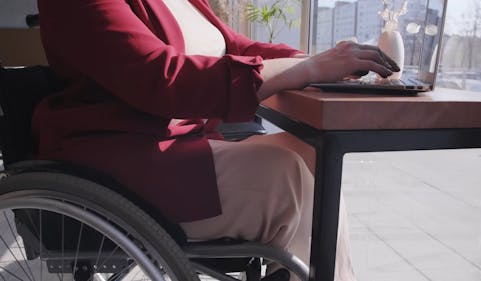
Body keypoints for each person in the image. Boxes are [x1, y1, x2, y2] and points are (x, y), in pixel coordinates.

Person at [35, 0, 399, 280]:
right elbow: (161, 77)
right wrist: (309, 69)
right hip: (122, 155)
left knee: (308, 154)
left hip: (179, 144)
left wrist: (322, 61)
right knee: (287, 176)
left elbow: (234, 46)